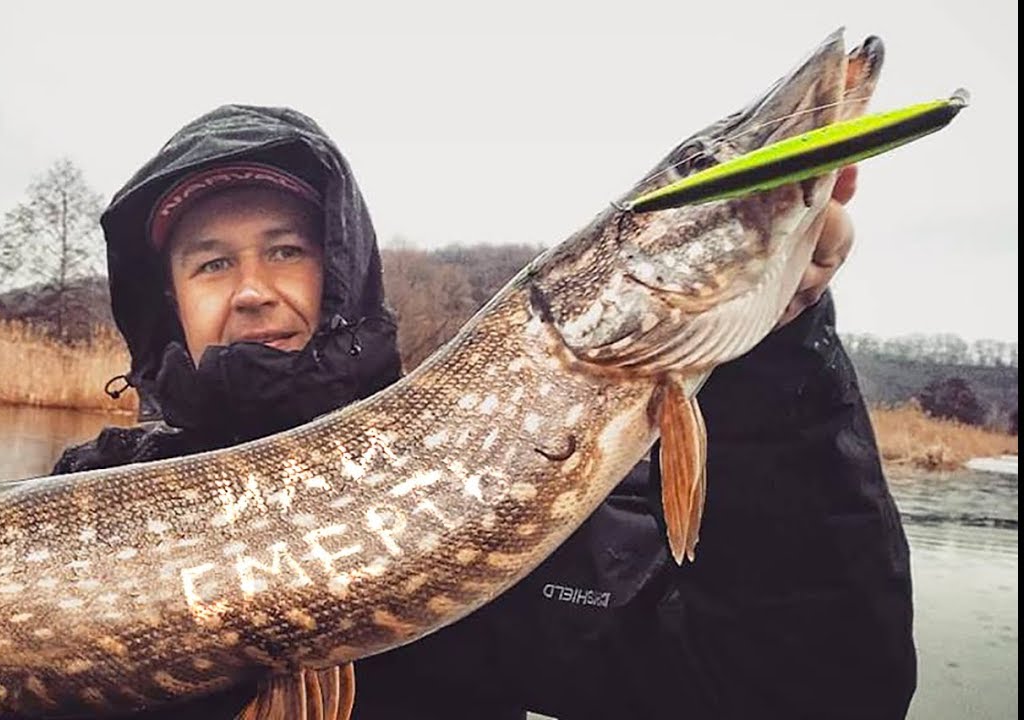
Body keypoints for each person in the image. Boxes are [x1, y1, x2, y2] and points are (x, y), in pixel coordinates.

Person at [54, 104, 916, 719]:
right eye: (211, 264)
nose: (251, 291)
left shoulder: (513, 488)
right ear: (170, 300)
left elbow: (805, 690)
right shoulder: (91, 492)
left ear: (341, 270)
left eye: (287, 250)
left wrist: (775, 355)